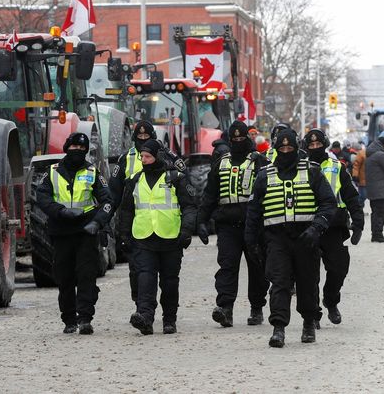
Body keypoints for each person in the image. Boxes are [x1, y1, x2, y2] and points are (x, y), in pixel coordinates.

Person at [244, 128, 337, 348]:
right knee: (279, 282)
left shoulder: (312, 172)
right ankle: (278, 328)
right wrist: (251, 242)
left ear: (297, 148)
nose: (286, 151)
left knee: (307, 283)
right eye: (282, 148)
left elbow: (328, 203)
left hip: (306, 238)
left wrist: (317, 228)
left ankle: (308, 323)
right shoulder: (265, 175)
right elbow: (254, 211)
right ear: (276, 149)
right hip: (276, 238)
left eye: (290, 147)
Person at [36, 132, 113, 334]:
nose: (77, 151)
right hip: (61, 232)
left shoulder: (93, 172)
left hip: (85, 232)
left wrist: (97, 223)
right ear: (66, 148)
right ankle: (69, 320)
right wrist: (60, 211)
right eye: (74, 148)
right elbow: (42, 198)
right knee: (64, 278)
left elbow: (107, 201)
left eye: (82, 149)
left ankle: (85, 318)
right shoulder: (51, 172)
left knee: (87, 276)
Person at [118, 139, 197, 335]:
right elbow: (126, 211)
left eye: (148, 156)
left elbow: (189, 206)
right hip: (144, 238)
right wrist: (124, 235)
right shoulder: (134, 181)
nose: (144, 160)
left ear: (158, 157)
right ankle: (145, 316)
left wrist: (186, 231)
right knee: (145, 277)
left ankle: (169, 319)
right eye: (142, 157)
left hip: (171, 238)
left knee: (169, 282)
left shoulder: (176, 178)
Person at [197, 121, 269, 327]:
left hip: (254, 224)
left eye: (241, 139)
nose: (238, 142)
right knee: (227, 266)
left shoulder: (258, 162)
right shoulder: (221, 163)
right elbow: (210, 194)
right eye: (234, 139)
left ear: (247, 138)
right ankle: (225, 308)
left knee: (257, 266)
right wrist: (201, 221)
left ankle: (257, 308)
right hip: (227, 224)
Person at [109, 120, 184, 304]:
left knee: (167, 276)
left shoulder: (168, 156)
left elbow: (183, 183)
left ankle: (161, 312)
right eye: (139, 137)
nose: (143, 140)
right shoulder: (125, 158)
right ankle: (141, 305)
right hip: (137, 221)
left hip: (164, 222)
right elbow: (114, 194)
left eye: (147, 136)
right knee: (138, 271)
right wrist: (107, 224)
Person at [304, 129, 363, 325]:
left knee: (338, 269)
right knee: (309, 273)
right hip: (307, 227)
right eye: (311, 145)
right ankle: (313, 313)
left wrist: (358, 223)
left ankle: (330, 301)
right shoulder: (300, 169)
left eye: (318, 144)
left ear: (325, 144)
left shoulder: (338, 167)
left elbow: (351, 197)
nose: (315, 148)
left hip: (334, 228)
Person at [365, 131, 384, 242]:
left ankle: (376, 234)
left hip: (374, 189)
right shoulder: (380, 155)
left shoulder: (372, 153)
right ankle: (378, 235)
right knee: (379, 213)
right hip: (379, 190)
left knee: (376, 212)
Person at [352, 141, 367, 209]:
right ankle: (358, 208)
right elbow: (356, 165)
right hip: (362, 179)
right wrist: (355, 175)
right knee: (362, 196)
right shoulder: (361, 154)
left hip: (369, 179)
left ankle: (360, 207)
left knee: (364, 196)